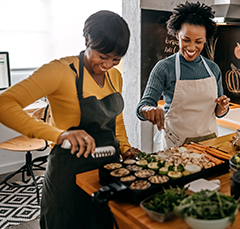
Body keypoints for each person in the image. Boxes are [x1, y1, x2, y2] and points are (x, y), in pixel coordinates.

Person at [0, 10, 139, 229]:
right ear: (87, 41)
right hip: (69, 176)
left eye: (116, 59)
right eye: (102, 57)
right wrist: (59, 134)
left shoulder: (115, 76)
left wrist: (126, 148)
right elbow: (4, 104)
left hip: (106, 172)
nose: (107, 65)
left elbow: (116, 122)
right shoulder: (61, 71)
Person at [136, 1, 230, 148]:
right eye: (186, 40)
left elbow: (218, 113)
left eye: (198, 42)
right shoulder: (164, 68)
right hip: (176, 147)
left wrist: (223, 107)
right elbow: (141, 108)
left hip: (209, 145)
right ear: (177, 35)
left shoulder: (213, 69)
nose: (192, 47)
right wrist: (149, 109)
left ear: (205, 40)